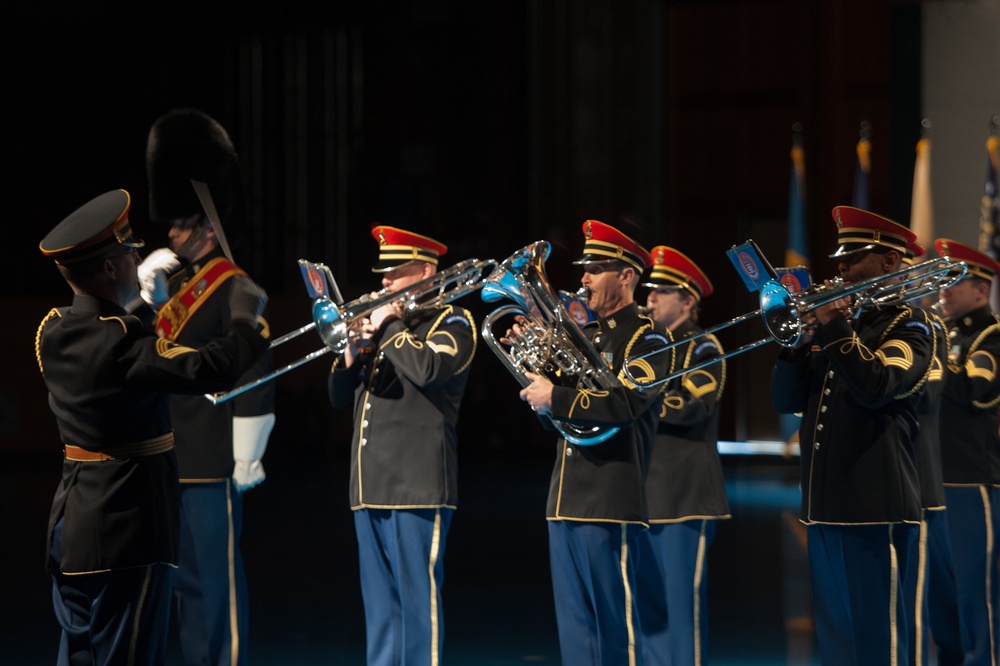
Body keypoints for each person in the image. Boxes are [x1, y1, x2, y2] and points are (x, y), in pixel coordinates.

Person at [36, 189, 269, 666]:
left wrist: (142, 305)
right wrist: (247, 317)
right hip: (126, 528)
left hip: (73, 523)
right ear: (108, 269)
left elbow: (133, 348)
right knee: (131, 653)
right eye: (128, 254)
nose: (136, 258)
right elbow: (213, 367)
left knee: (77, 654)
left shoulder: (51, 330)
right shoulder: (121, 343)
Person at [771, 206, 934, 665]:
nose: (840, 266)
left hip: (874, 508)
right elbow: (786, 402)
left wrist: (834, 326)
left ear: (889, 262)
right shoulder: (841, 327)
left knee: (878, 642)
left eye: (854, 255)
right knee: (838, 642)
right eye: (840, 256)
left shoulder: (911, 327)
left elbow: (876, 386)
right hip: (825, 507)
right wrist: (794, 347)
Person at [145, 108, 276, 666]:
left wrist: (249, 439)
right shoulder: (174, 286)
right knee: (183, 582)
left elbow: (251, 361)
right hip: (169, 451)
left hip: (212, 454)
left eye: (180, 224)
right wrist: (140, 294)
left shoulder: (235, 286)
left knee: (216, 581)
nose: (170, 234)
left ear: (204, 227)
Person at [516, 220, 674, 666]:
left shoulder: (649, 337)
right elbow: (564, 422)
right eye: (584, 268)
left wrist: (558, 395)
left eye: (596, 268)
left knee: (614, 630)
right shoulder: (590, 337)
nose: (582, 278)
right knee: (576, 635)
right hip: (565, 499)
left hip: (610, 502)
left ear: (626, 276)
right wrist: (542, 387)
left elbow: (627, 404)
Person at [328, 224, 476, 666]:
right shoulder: (387, 329)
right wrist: (351, 352)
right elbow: (338, 398)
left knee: (416, 610)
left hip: (417, 486)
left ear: (428, 271)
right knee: (381, 614)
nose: (385, 283)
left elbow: (429, 370)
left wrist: (390, 324)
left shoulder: (452, 320)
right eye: (384, 274)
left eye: (395, 273)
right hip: (370, 484)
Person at [634, 245, 730, 666]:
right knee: (646, 610)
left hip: (684, 499)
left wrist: (631, 400)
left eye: (660, 292)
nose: (648, 298)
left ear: (687, 301)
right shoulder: (644, 347)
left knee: (680, 610)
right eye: (649, 291)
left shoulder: (704, 348)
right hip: (642, 496)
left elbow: (693, 406)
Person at [925, 238, 1000, 666]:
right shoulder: (942, 334)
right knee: (940, 597)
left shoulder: (991, 336)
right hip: (932, 480)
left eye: (955, 281)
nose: (944, 290)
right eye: (942, 280)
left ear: (982, 290)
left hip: (972, 481)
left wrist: (934, 353)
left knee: (976, 593)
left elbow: (976, 389)